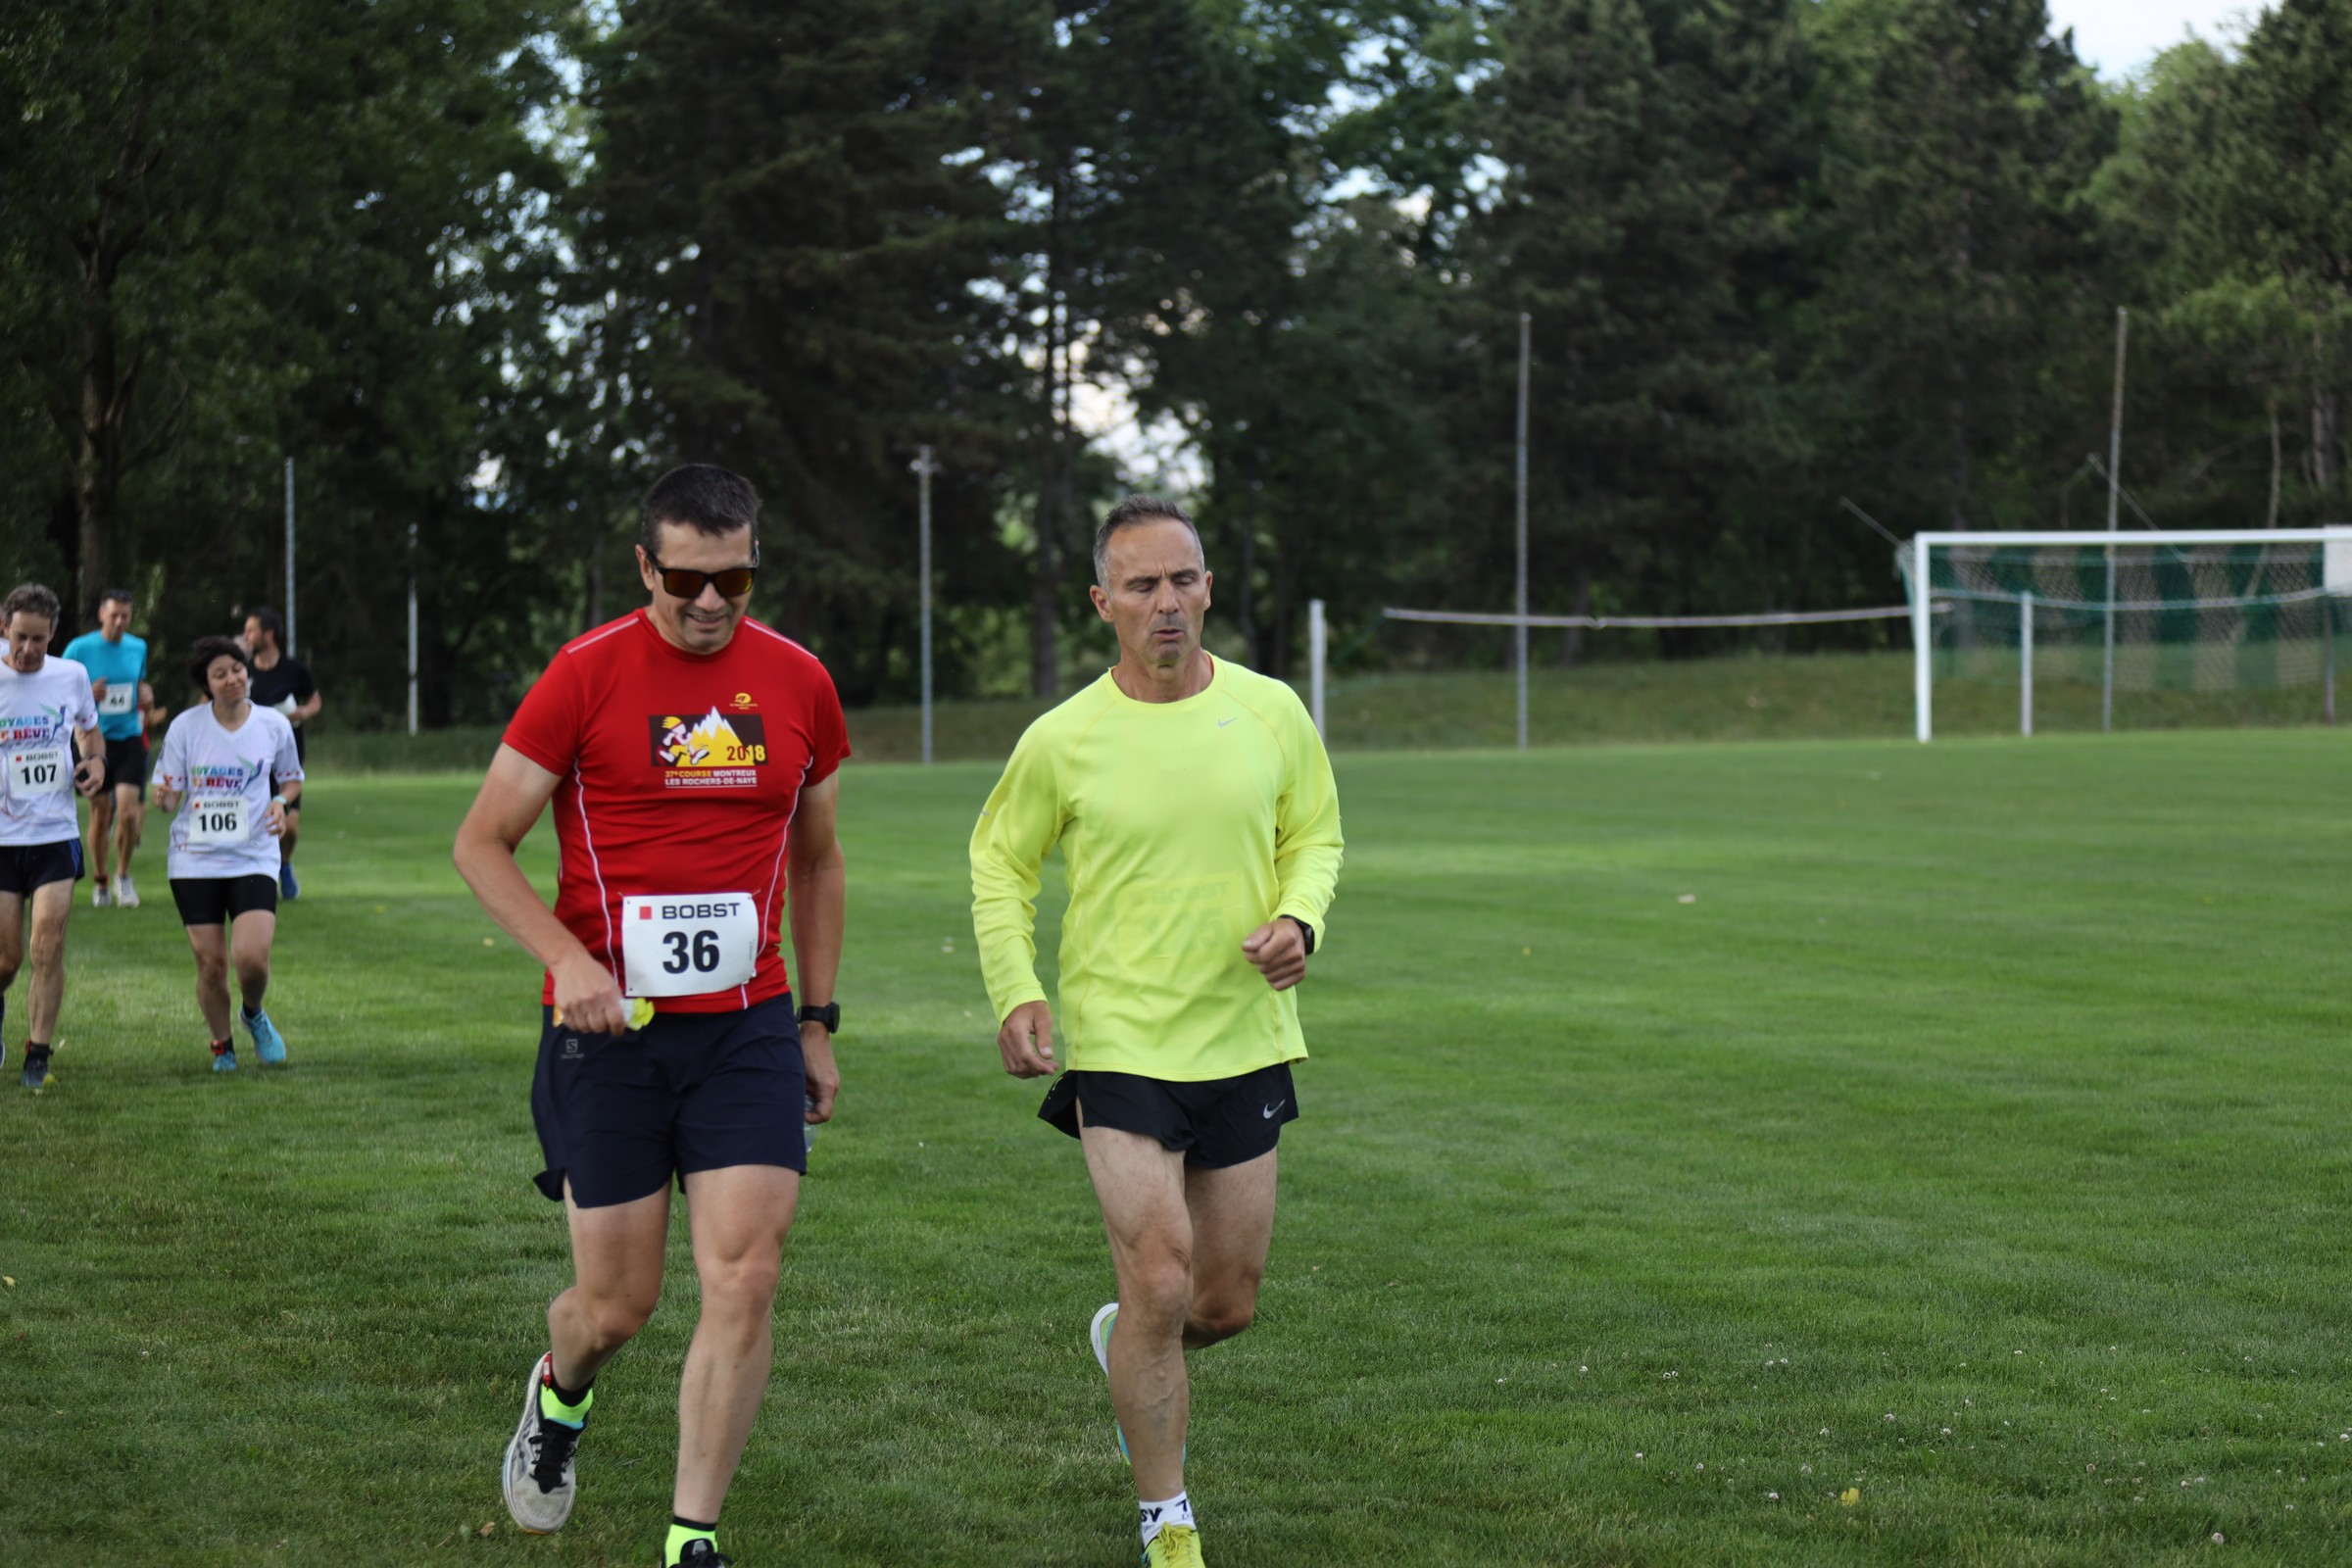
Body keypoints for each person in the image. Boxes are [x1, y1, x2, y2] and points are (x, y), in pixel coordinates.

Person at [454, 464, 849, 1568]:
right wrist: (567, 960)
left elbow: (819, 860)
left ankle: (691, 1536)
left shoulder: (801, 681)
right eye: (685, 580)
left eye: (734, 578)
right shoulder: (584, 673)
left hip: (746, 1023)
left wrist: (816, 1019)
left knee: (746, 1275)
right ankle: (560, 1392)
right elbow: (481, 842)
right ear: (645, 567)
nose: (711, 601)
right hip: (608, 1033)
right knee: (615, 1306)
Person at [969, 496, 1344, 1568]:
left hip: (1245, 1036)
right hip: (1121, 1041)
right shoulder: (1064, 738)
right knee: (1161, 1278)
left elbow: (1315, 835)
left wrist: (1299, 920)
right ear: (1104, 603)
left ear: (1208, 588)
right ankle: (1165, 1516)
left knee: (1220, 1305)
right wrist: (1016, 989)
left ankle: (1124, 1339)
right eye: (1142, 585)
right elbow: (1000, 863)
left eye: (1183, 580)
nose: (1166, 602)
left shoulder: (1272, 710)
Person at [151, 636, 301, 1072]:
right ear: (207, 685)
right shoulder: (186, 728)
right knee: (211, 964)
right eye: (220, 675)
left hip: (254, 854)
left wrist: (280, 802)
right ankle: (223, 1046)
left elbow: (291, 778)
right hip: (194, 859)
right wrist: (163, 797)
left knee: (252, 959)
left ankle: (252, 1012)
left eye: (237, 669)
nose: (233, 679)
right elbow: (169, 794)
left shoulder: (273, 724)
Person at [0, 583, 108, 1090]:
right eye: (20, 637)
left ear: (53, 635)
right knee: (8, 959)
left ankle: (37, 1054)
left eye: (39, 640)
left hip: (53, 831)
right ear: (4, 628)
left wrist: (95, 761)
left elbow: (88, 729)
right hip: (2, 837)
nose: (28, 649)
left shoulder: (72, 675)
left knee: (48, 942)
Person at [63, 588, 163, 909]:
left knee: (129, 814)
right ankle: (101, 881)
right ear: (101, 615)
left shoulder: (138, 646)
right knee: (101, 813)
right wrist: (86, 693)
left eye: (125, 616)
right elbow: (58, 690)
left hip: (130, 737)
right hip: (92, 740)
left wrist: (146, 696)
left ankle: (123, 875)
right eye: (114, 615)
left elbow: (138, 685)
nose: (119, 622)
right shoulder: (79, 648)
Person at [239, 607, 318, 899]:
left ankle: (284, 865)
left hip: (287, 758)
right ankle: (255, 876)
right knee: (255, 824)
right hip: (251, 760)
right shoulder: (242, 671)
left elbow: (315, 700)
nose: (246, 635)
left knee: (290, 827)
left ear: (269, 634)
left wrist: (303, 712)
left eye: (251, 630)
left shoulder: (295, 670)